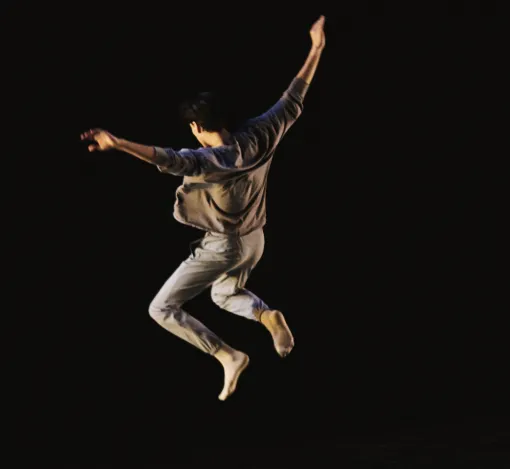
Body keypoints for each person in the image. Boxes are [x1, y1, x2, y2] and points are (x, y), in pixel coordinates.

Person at [80, 16, 327, 401]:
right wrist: (316, 49)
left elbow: (165, 158)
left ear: (197, 127)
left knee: (161, 308)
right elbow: (292, 98)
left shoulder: (207, 161)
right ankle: (267, 316)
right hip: (255, 239)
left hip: (224, 245)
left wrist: (119, 143)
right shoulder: (260, 134)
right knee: (223, 294)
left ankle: (228, 355)